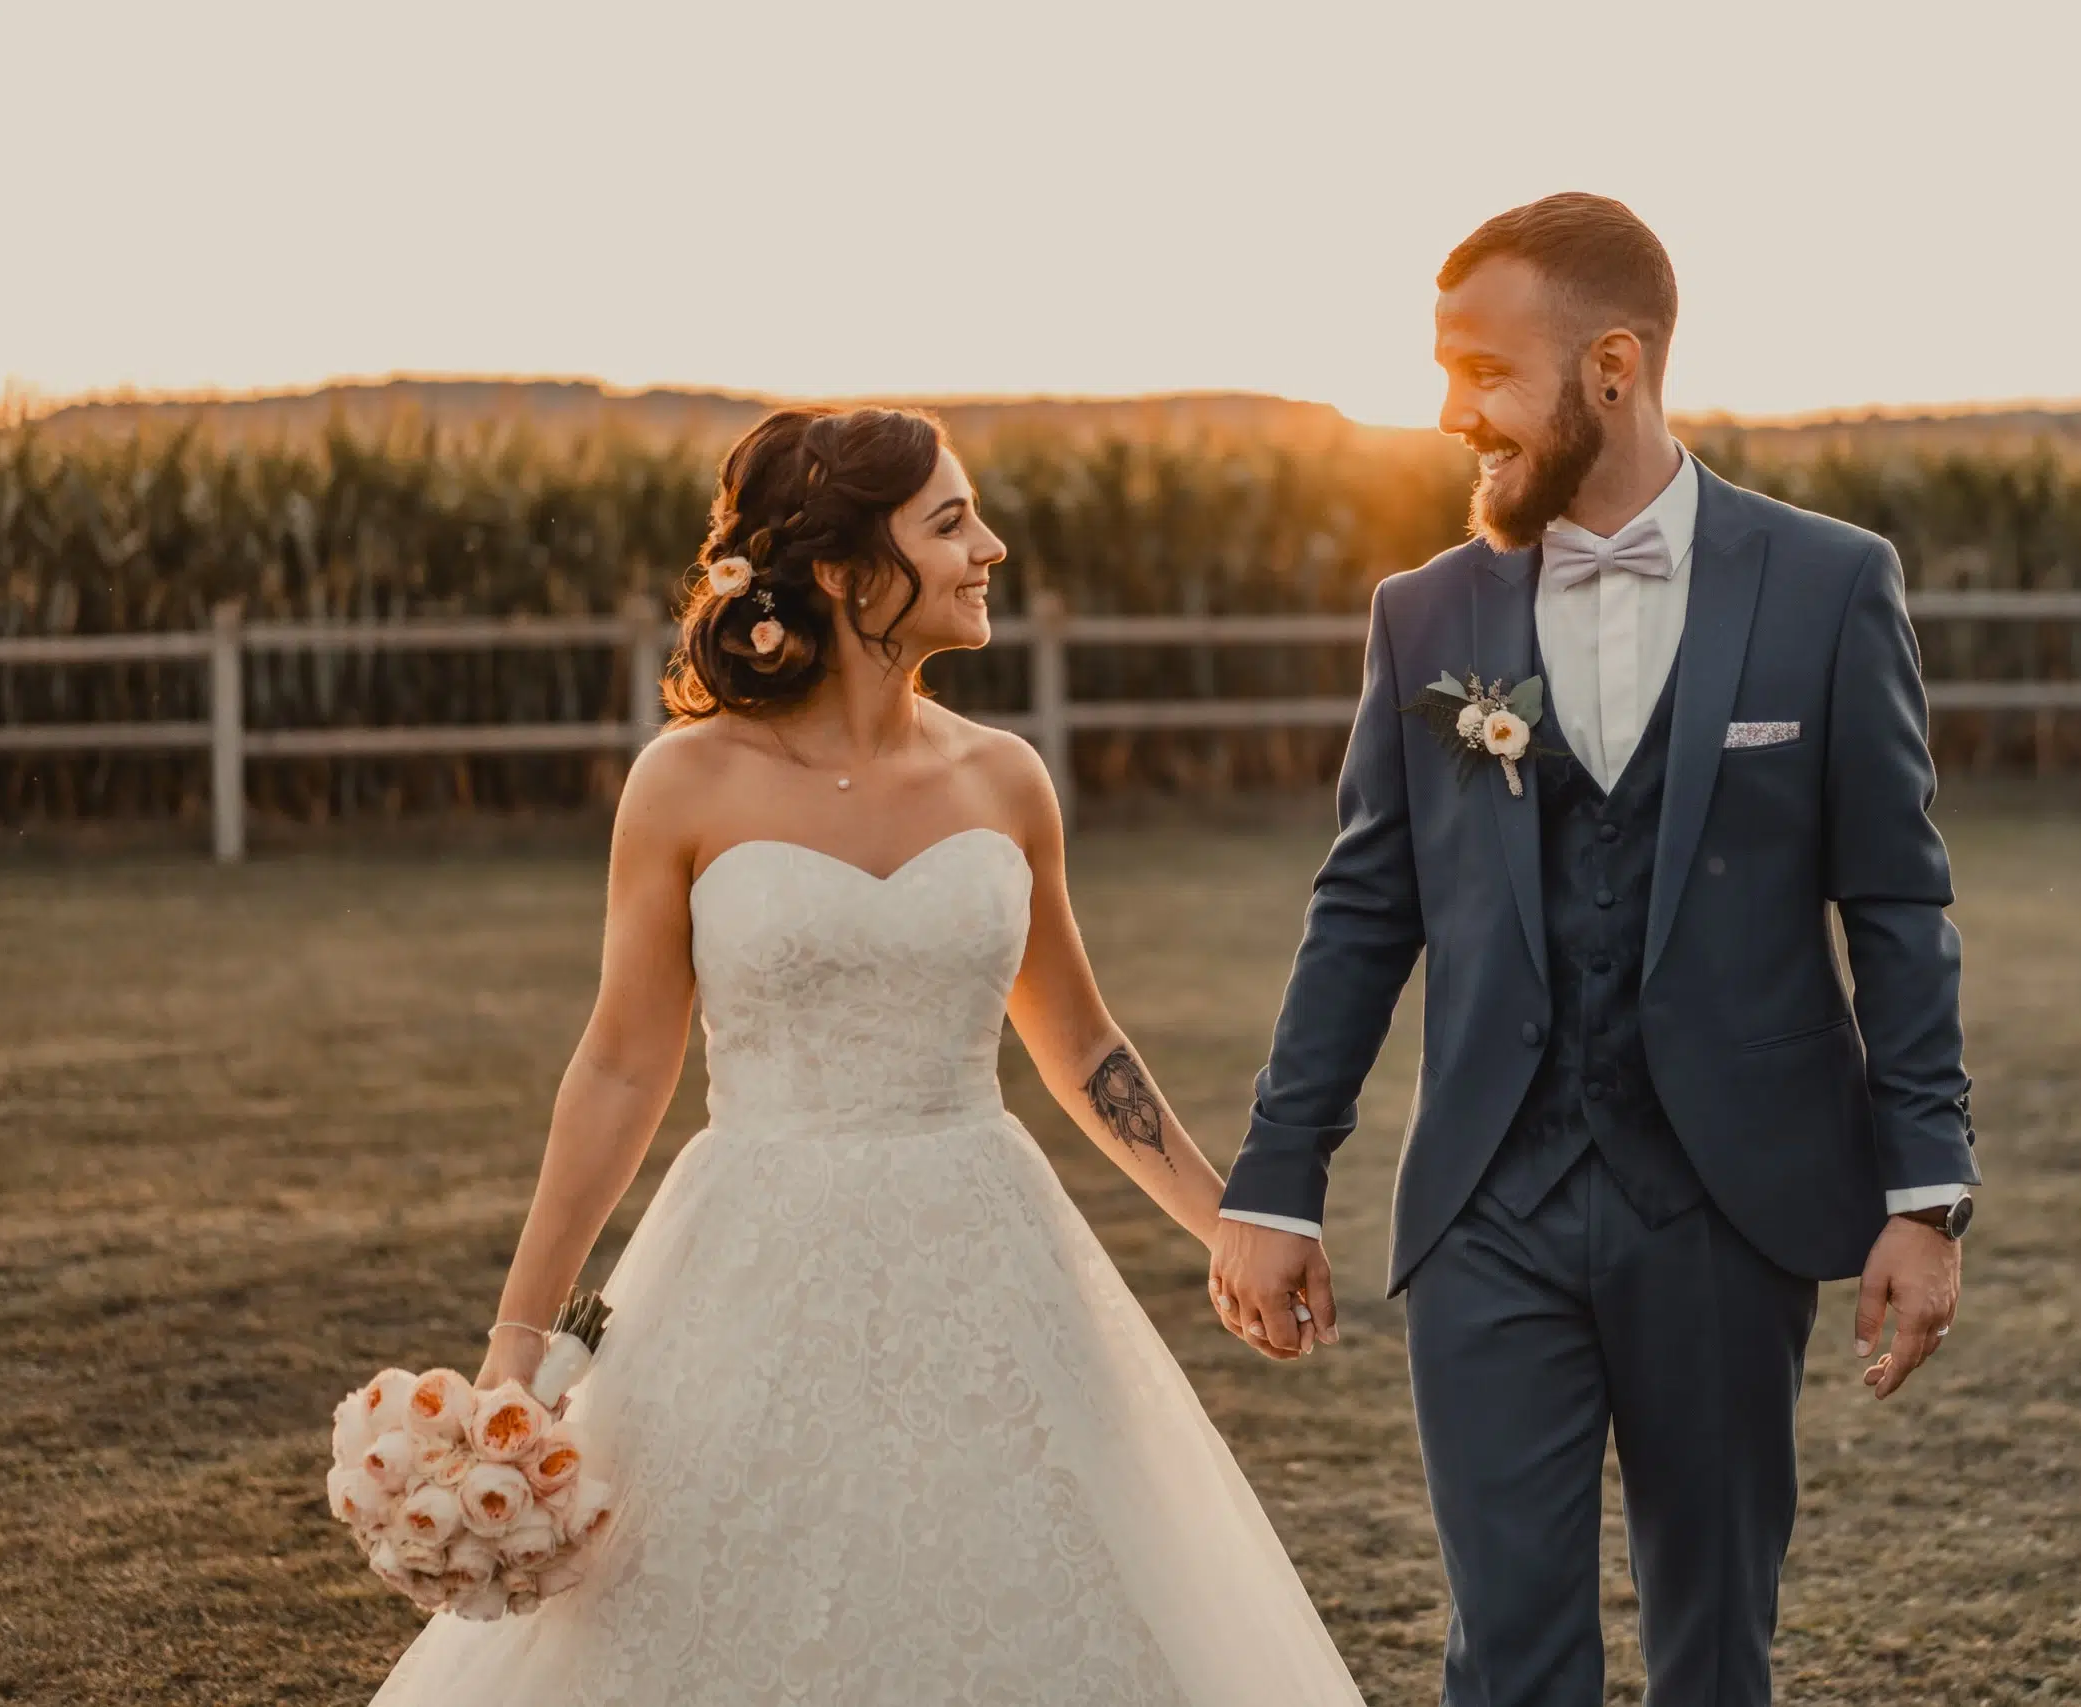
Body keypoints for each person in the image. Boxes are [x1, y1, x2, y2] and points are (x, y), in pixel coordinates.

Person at [371, 406, 1363, 1705]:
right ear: (844, 572)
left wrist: (1227, 1224)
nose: (990, 548)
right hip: (750, 1259)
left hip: (983, 1248)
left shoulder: (1006, 779)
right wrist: (519, 1338)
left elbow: (1079, 1041)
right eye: (951, 524)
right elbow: (620, 1067)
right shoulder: (685, 785)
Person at [1208, 193, 1981, 1707]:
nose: (1453, 413)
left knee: (1714, 1648)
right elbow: (1364, 910)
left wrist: (1925, 1192)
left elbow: (1898, 904)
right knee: (1508, 1656)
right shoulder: (1427, 614)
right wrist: (1277, 1178)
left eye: (1486, 373)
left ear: (1613, 368)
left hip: (1728, 1202)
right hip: (1489, 1208)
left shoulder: (1828, 584)